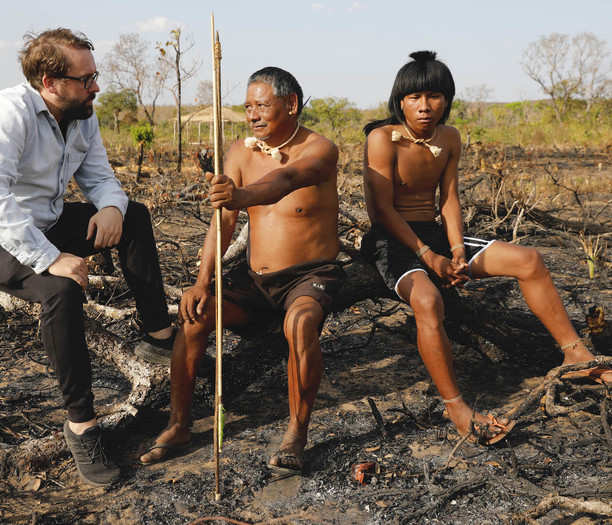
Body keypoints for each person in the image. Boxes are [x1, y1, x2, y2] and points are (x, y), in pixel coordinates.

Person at [0, 28, 175, 486]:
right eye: (86, 78)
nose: (96, 86)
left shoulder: (82, 114)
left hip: (42, 221)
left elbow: (100, 175)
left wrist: (110, 207)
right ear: (50, 81)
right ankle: (82, 425)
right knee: (63, 287)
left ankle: (159, 336)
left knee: (136, 216)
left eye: (96, 75)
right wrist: (49, 258)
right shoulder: (7, 113)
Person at [361, 50, 611, 444]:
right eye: (414, 98)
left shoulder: (449, 137)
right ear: (400, 101)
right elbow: (381, 210)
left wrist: (457, 249)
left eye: (434, 96)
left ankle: (576, 355)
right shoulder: (382, 139)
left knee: (528, 259)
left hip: (435, 232)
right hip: (392, 239)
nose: (424, 106)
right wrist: (430, 257)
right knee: (428, 302)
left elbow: (449, 200)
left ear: (447, 97)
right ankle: (456, 407)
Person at [139, 67, 343, 472]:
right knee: (194, 317)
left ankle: (295, 434)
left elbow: (287, 179)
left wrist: (241, 194)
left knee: (300, 324)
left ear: (291, 104)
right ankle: (179, 425)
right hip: (254, 279)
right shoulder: (238, 152)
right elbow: (224, 221)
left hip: (309, 275)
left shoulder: (319, 149)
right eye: (248, 106)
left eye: (262, 105)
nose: (253, 114)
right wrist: (201, 282)